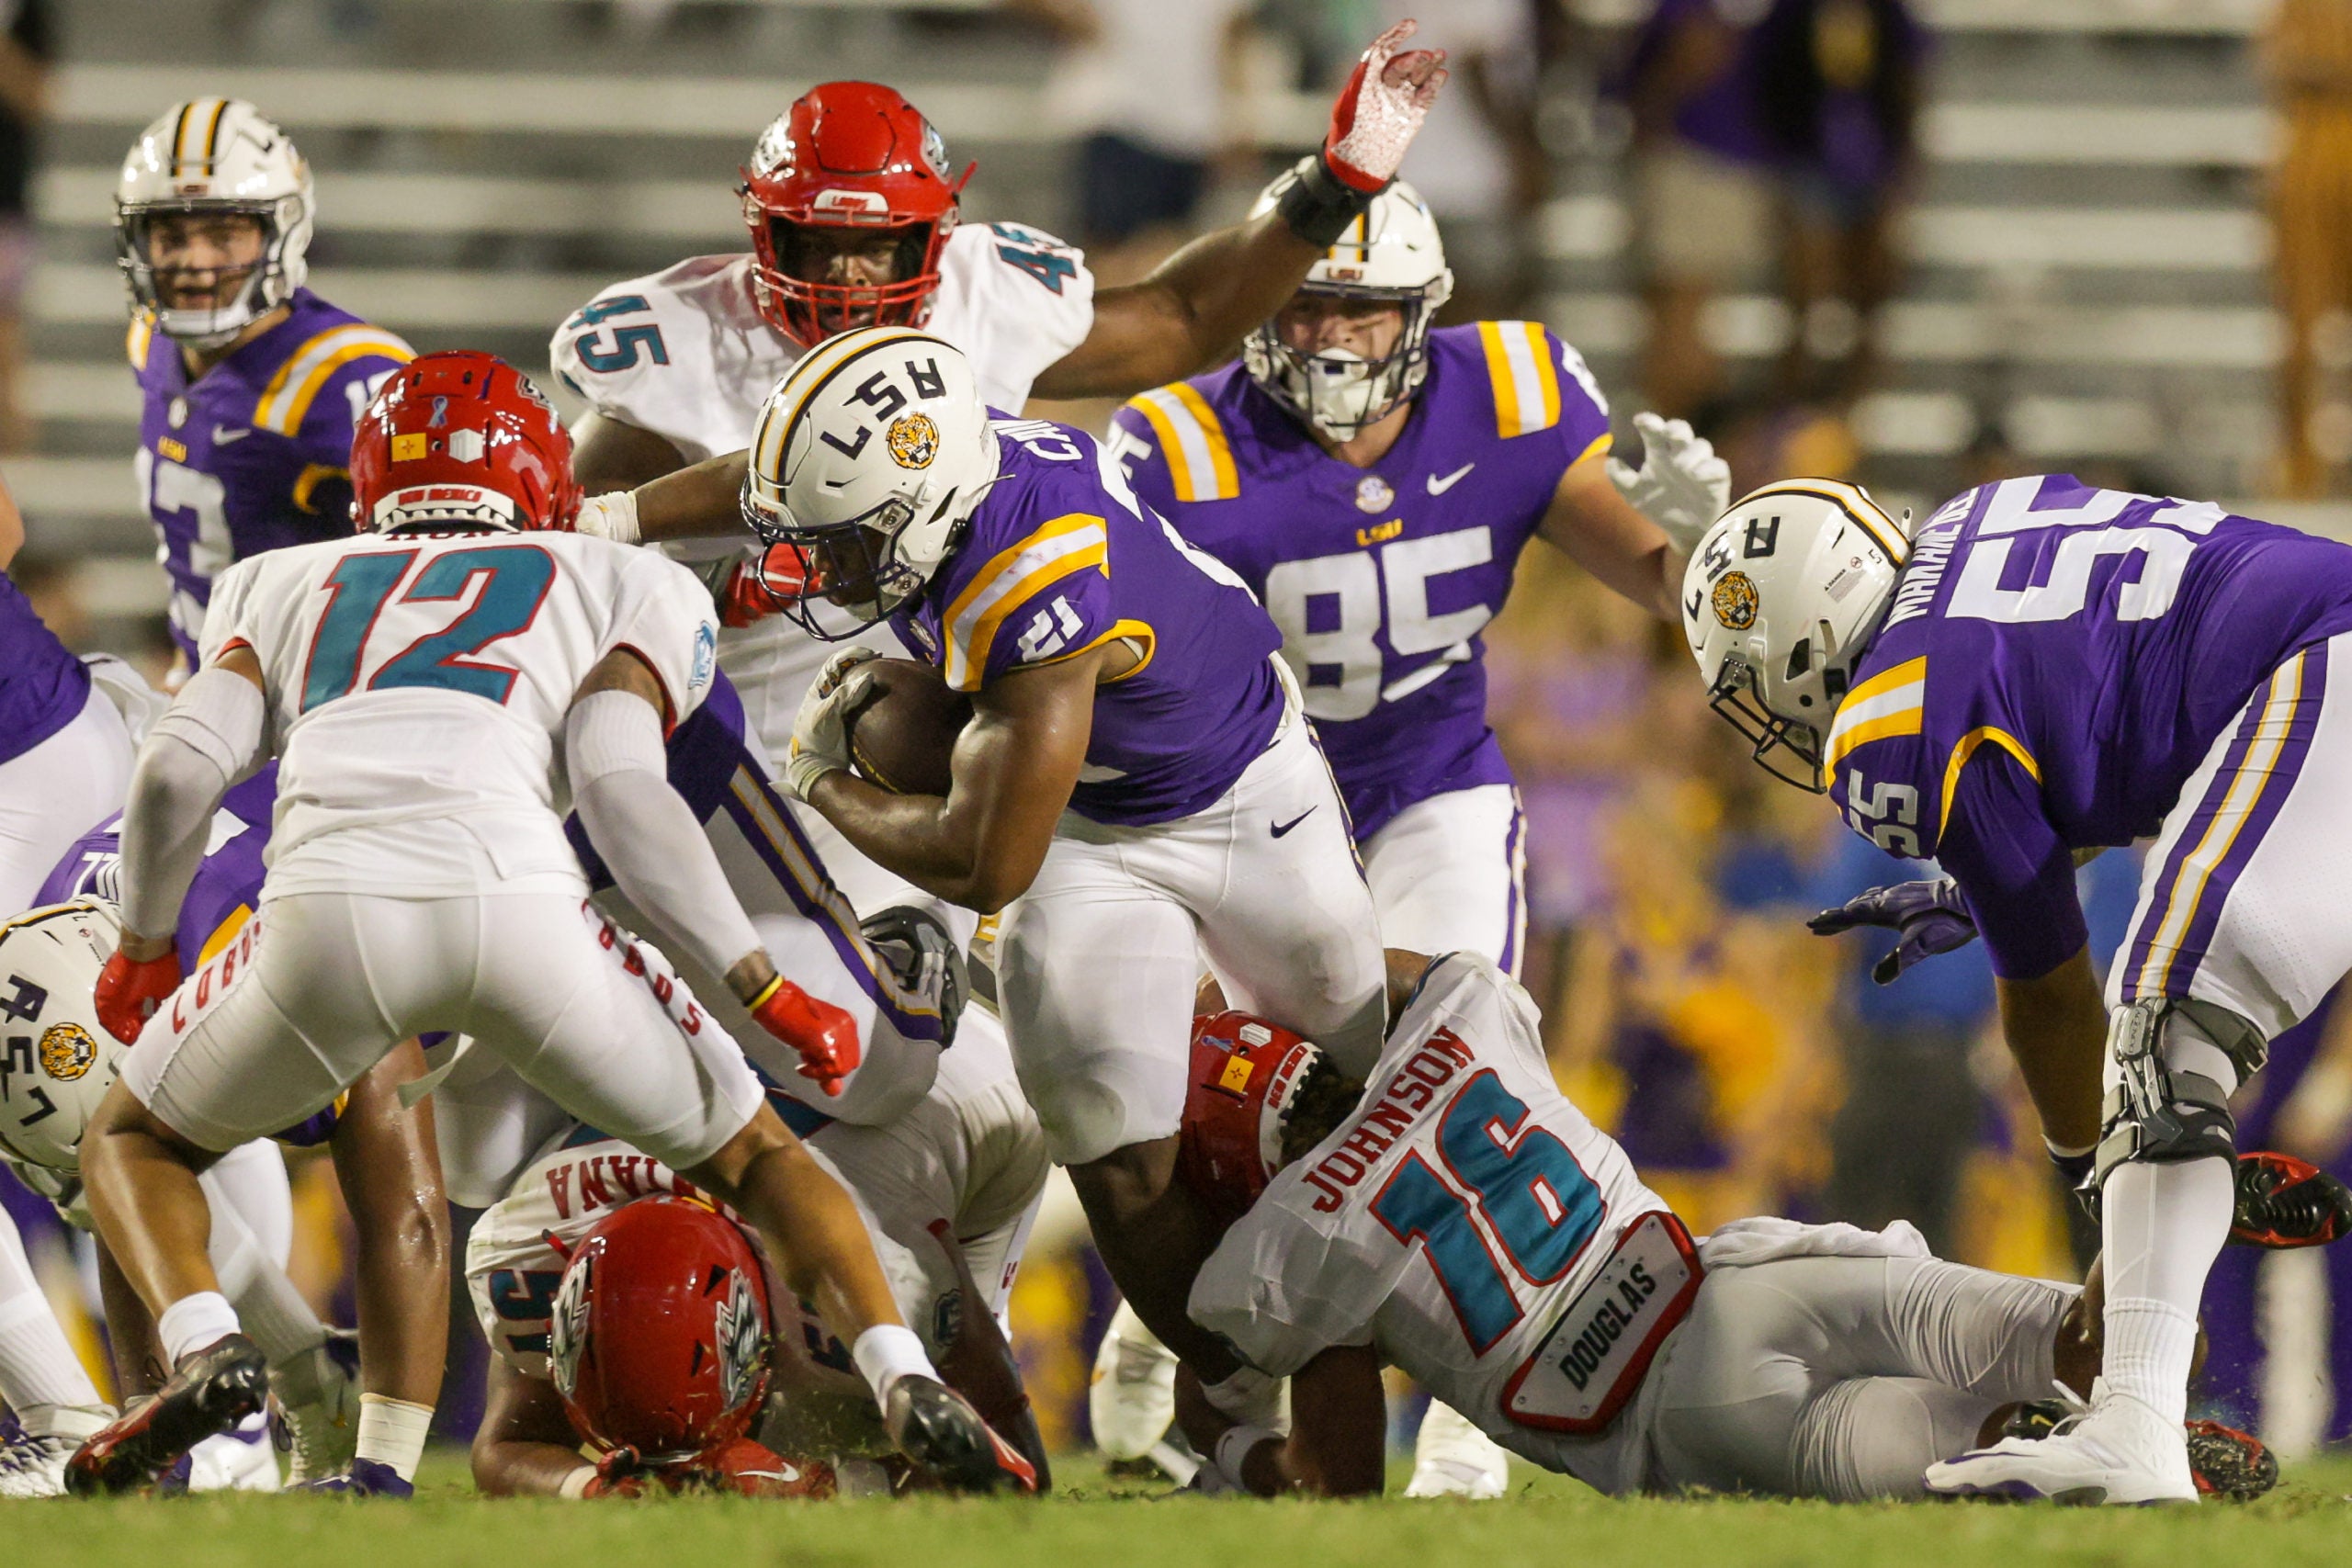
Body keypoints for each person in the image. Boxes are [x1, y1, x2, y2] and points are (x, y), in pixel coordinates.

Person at [59, 352, 1025, 1497]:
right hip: (522, 910)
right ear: (542, 477)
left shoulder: (277, 579)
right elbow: (622, 789)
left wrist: (143, 951)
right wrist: (758, 981)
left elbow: (175, 775)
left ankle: (210, 1346)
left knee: (131, 1142)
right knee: (760, 1159)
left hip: (324, 915)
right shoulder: (624, 581)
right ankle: (902, 1372)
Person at [1101, 173, 1724, 1496]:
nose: (1333, 336)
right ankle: (1191, 1348)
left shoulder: (1510, 389)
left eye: (1365, 310)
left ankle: (1467, 1411)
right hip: (1251, 803)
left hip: (1431, 776)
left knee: (1458, 1070)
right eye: (1312, 301)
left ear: (1420, 315)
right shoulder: (1172, 446)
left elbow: (1667, 591)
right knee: (1251, 1099)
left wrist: (1695, 546)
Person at [552, 24, 1446, 932]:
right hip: (726, 716)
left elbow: (1184, 316)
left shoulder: (985, 297)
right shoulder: (681, 344)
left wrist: (1338, 180)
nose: (845, 277)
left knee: (922, 1015)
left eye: (877, 246)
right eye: (814, 243)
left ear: (933, 237)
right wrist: (713, 585)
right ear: (765, 230)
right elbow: (566, 540)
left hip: (919, 715)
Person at [742, 325, 1387, 1444]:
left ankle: (1446, 1370)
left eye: (843, 543)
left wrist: (821, 784)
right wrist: (622, 515)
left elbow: (986, 859)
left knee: (1363, 1088)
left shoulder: (1025, 569)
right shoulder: (946, 460)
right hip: (1092, 819)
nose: (818, 568)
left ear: (924, 507)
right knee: (1109, 1136)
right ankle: (1232, 1411)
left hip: (1238, 795)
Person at [1682, 473, 2352, 1502]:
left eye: (1760, 687)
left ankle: (2135, 1421)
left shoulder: (1898, 721)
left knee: (2162, 1028)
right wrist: (1980, 879)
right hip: (2312, 656)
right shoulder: (1966, 528)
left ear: (1809, 645)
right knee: (2164, 1032)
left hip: (2318, 671)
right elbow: (2110, 696)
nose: (1769, 720)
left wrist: (2100, 1190)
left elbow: (2049, 992)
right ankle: (2142, 1389)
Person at [1169, 952, 2278, 1502]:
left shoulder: (1290, 1241)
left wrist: (1229, 1448)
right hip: (1744, 1277)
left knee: (1983, 1465)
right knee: (2083, 1338)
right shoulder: (1461, 1021)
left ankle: (2061, 1450)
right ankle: (2176, 1213)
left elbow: (1339, 1485)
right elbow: (1383, 966)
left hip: (1682, 1413)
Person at [468, 1010, 1048, 1497]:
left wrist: (829, 1486)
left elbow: (1018, 1470)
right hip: (768, 1084)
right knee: (762, 1454)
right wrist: (592, 1490)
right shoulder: (537, 1242)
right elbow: (505, 1445)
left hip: (968, 1089)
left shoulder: (877, 1260)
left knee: (899, 1411)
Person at [0, 891, 432, 1495]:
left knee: (124, 1144)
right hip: (234, 934)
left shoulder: (319, 950)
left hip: (414, 929)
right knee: (116, 1149)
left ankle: (238, 1419)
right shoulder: (74, 915)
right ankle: (265, 1398)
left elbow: (410, 1217)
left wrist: (387, 1467)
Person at [118, 98, 415, 674]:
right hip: (204, 673)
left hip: (304, 701)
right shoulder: (151, 342)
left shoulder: (349, 378)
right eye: (169, 234)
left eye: (223, 234)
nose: (193, 262)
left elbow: (441, 568)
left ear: (282, 232)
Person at [0, 0, 51, 452]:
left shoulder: (29, 12)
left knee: (5, 322)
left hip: (4, 195)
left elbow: (38, 96)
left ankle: (13, 433)